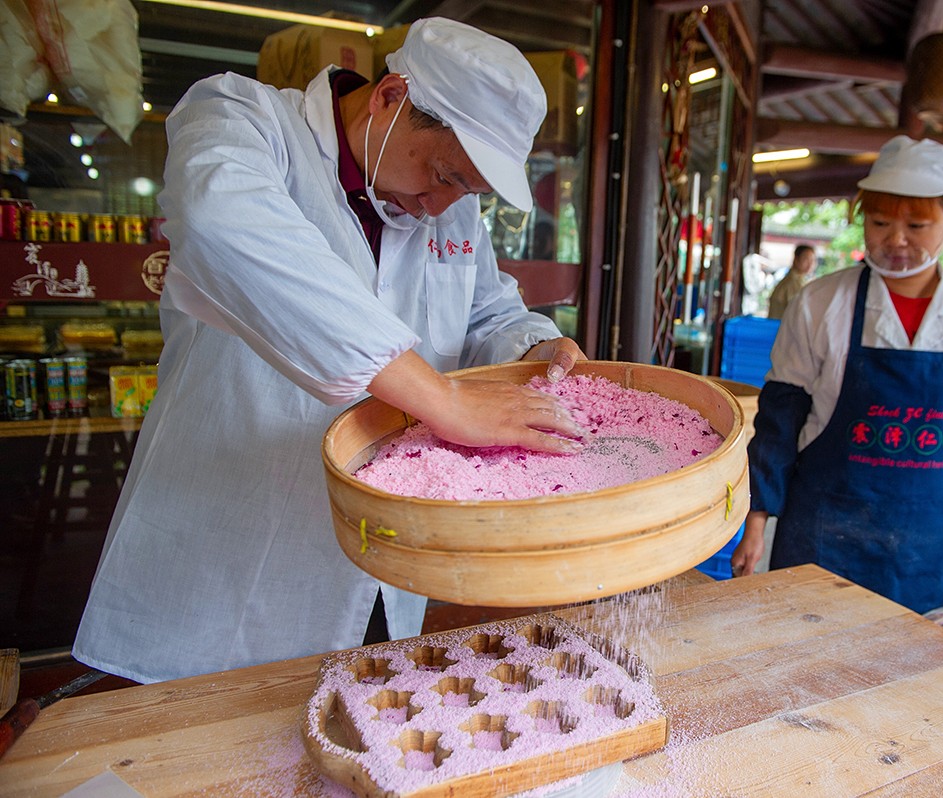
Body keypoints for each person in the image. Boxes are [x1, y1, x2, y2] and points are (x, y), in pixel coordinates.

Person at [73, 18, 587, 684]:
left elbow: (487, 311)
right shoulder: (244, 120)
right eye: (439, 174)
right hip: (224, 546)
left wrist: (537, 345)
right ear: (390, 96)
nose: (439, 206)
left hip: (376, 566)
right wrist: (441, 400)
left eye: (463, 188)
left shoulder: (449, 208)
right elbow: (224, 227)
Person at [731, 135, 943, 631]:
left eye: (917, 225)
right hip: (823, 533)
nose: (896, 239)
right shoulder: (821, 304)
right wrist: (756, 520)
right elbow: (780, 421)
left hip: (930, 547)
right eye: (879, 222)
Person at [767, 244, 817, 319]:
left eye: (812, 260)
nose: (810, 264)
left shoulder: (797, 279)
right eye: (806, 259)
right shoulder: (792, 282)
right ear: (796, 259)